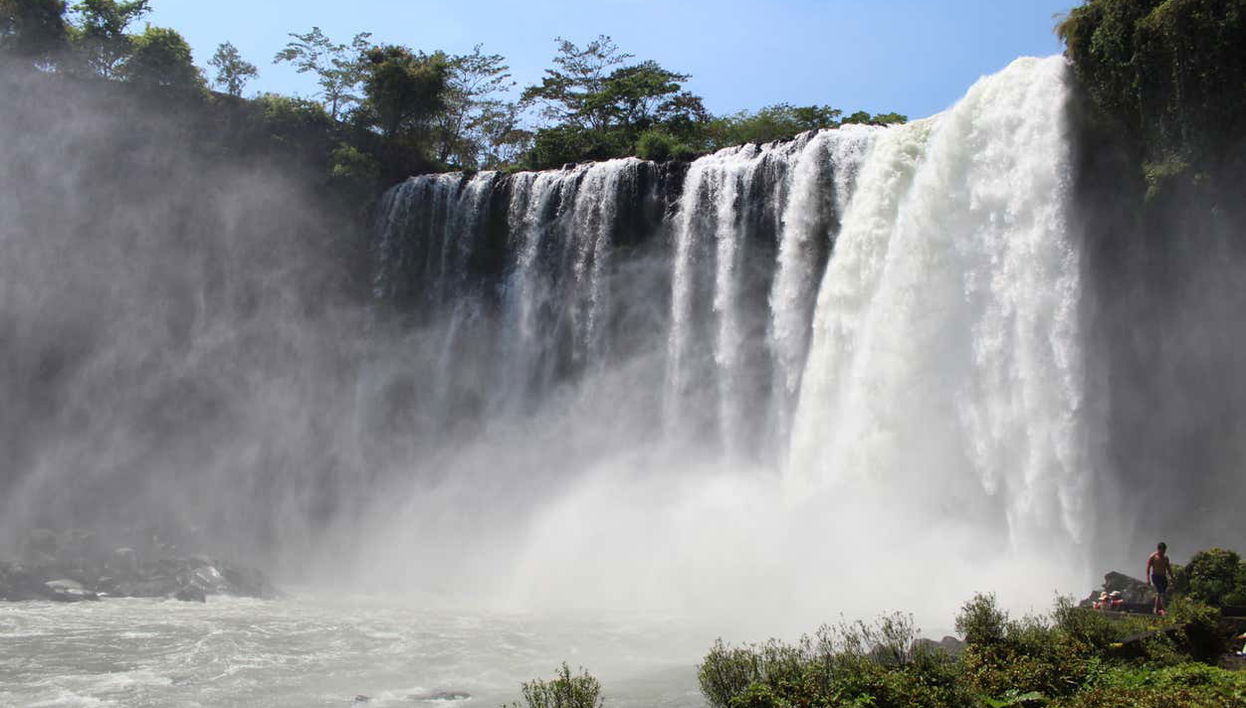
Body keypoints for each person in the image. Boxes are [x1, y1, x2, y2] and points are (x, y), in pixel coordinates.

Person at [1146, 542, 1173, 616]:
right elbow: (1148, 569)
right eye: (1162, 551)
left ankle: (1156, 609)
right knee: (1162, 593)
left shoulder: (1165, 558)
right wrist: (1148, 579)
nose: (1163, 552)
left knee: (1160, 593)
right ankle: (1164, 610)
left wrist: (1172, 577)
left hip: (1163, 577)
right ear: (1158, 549)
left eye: (1164, 551)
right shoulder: (1153, 557)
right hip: (1156, 577)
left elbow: (1168, 568)